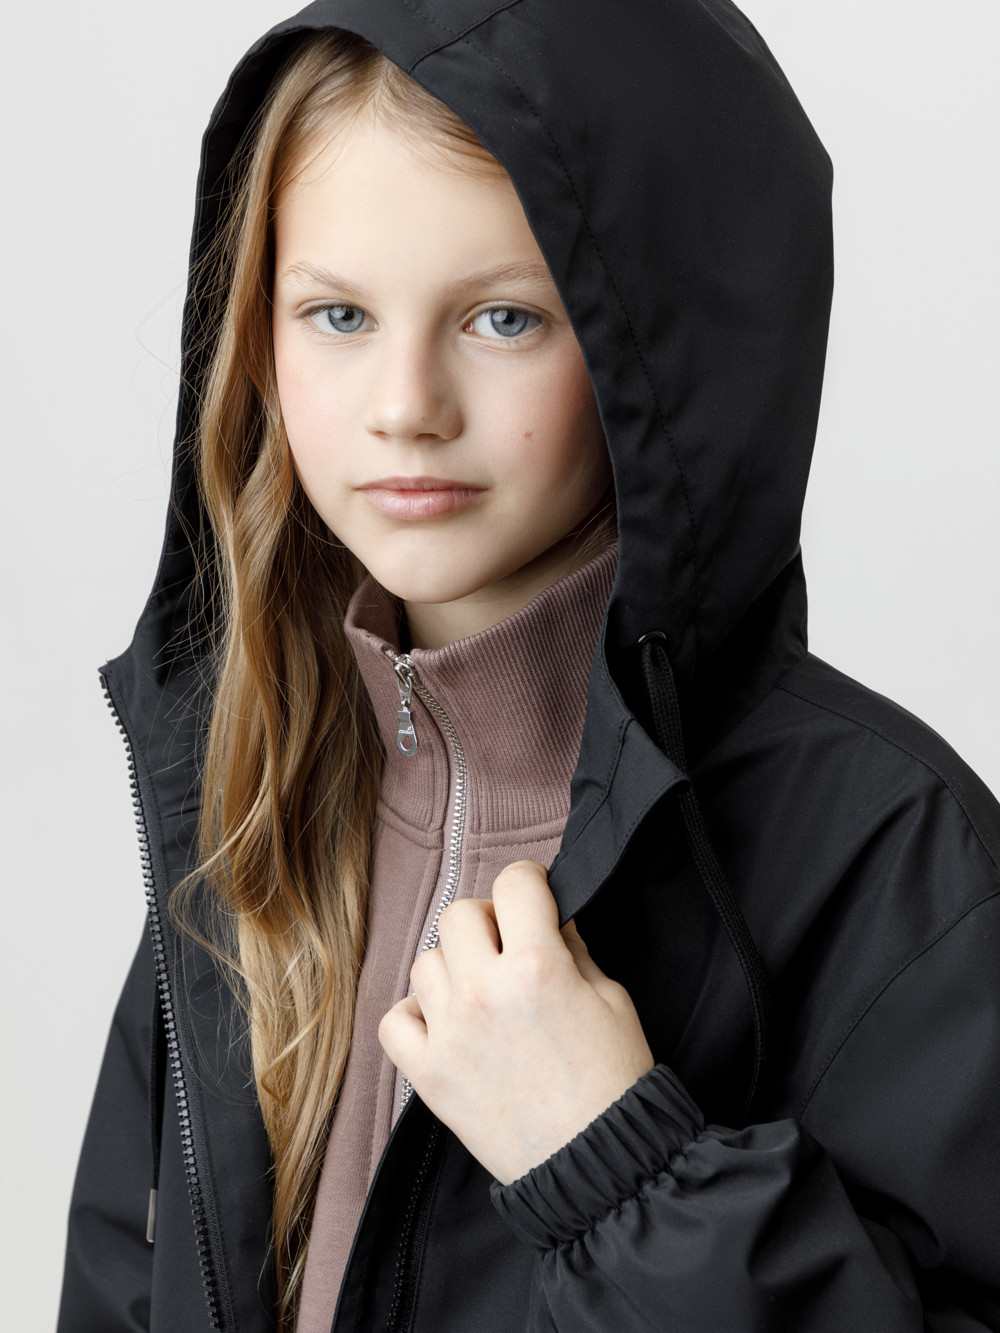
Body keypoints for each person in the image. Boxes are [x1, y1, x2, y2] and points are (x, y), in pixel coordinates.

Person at [57, 1, 1000, 1330]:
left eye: (503, 319)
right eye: (337, 313)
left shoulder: (888, 859)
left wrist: (614, 1162)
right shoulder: (250, 794)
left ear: (656, 348)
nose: (406, 405)